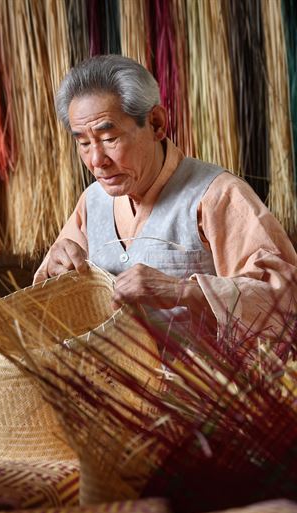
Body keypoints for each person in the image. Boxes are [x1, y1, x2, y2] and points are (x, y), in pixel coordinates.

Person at [34, 54, 297, 342]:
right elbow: (46, 310)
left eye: (109, 139)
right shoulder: (92, 201)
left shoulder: (217, 196)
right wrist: (53, 273)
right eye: (83, 143)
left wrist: (182, 291)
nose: (96, 160)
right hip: (108, 383)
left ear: (157, 124)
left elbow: (285, 301)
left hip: (204, 384)